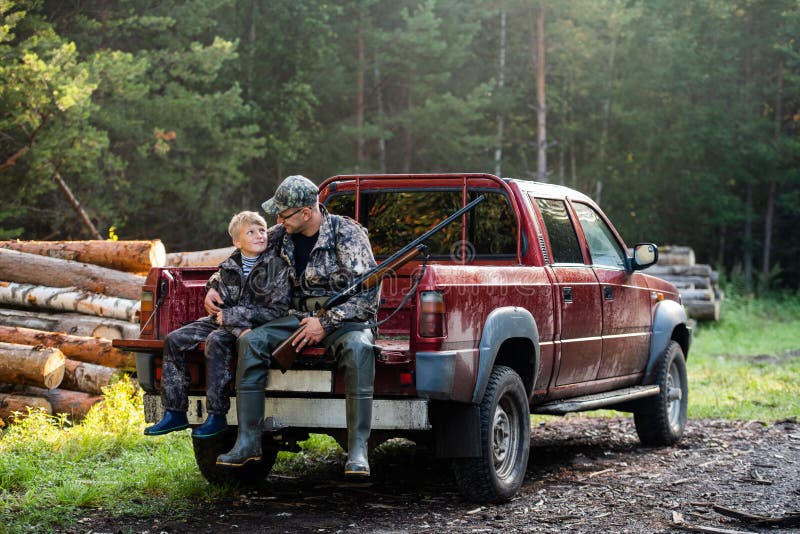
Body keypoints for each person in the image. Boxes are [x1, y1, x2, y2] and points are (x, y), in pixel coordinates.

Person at [212, 175, 380, 477]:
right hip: (294, 316)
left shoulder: (347, 234)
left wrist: (325, 323)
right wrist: (214, 284)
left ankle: (357, 451)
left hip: (345, 319)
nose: (277, 220)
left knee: (359, 349)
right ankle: (249, 442)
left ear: (306, 212)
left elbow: (368, 296)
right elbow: (240, 257)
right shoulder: (280, 234)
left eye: (284, 214)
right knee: (251, 342)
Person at [144, 211, 291, 438]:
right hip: (221, 321)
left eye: (262, 230)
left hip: (252, 326)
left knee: (217, 341)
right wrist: (212, 295)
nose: (260, 236)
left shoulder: (276, 266)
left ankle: (216, 415)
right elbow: (219, 298)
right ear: (237, 242)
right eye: (251, 232)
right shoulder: (230, 265)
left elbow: (278, 311)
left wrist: (233, 316)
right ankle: (175, 412)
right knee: (175, 340)